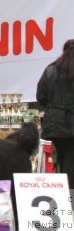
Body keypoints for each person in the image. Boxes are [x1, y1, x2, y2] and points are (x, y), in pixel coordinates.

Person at [36, 39, 74, 189]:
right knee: (70, 163)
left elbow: (41, 96)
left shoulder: (50, 69)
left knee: (56, 161)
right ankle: (70, 199)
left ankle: (58, 194)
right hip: (71, 126)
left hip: (53, 125)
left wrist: (53, 110)